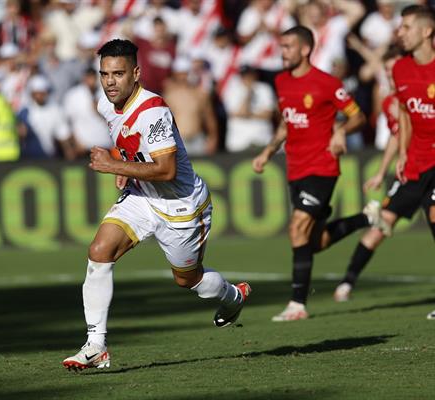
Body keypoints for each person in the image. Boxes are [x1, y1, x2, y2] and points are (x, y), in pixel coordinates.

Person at [62, 39, 251, 371]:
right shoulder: (106, 103)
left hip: (181, 207)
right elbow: (128, 141)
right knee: (99, 251)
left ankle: (232, 296)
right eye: (104, 74)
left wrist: (115, 165)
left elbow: (167, 170)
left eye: (118, 74)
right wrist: (124, 165)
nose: (110, 82)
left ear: (136, 73)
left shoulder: (153, 111)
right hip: (142, 197)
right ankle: (95, 345)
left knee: (189, 280)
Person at [252, 26, 387, 322]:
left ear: (304, 50)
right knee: (314, 242)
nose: (282, 52)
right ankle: (366, 218)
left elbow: (358, 116)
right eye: (281, 46)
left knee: (297, 228)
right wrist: (268, 152)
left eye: (288, 46)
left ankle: (297, 305)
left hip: (322, 167)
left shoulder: (327, 83)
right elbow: (286, 123)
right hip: (296, 168)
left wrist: (341, 130)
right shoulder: (281, 81)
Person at [333, 6, 435, 321]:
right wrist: (401, 154)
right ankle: (347, 282)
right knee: (380, 225)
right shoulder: (401, 72)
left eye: (405, 27)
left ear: (427, 31)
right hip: (415, 165)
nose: (399, 32)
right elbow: (404, 117)